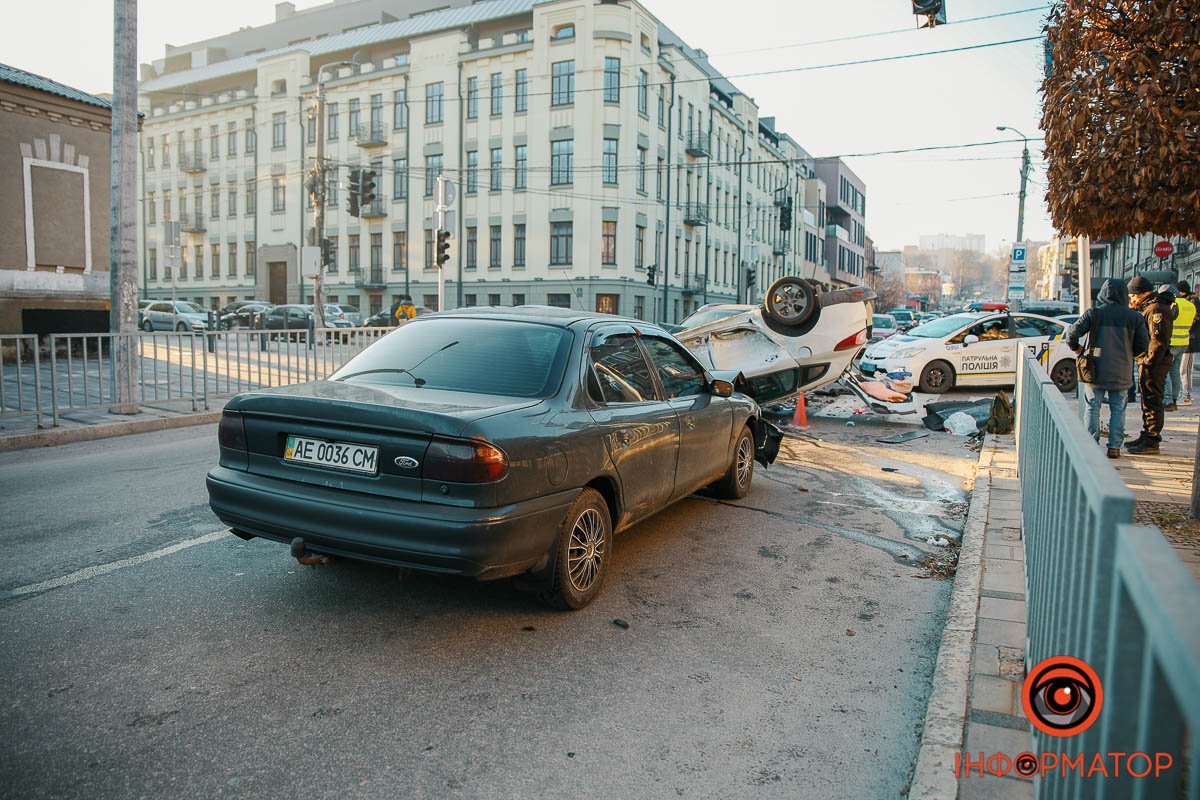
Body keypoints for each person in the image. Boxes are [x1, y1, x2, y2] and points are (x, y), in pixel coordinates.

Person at [1067, 279, 1148, 458]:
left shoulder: (1094, 313)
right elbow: (1143, 346)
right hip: (1122, 370)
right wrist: (1127, 353)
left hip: (1094, 370)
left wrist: (1078, 349)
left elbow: (1071, 335)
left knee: (1092, 407)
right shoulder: (1135, 317)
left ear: (1103, 293)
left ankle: (1091, 445)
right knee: (1118, 409)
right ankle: (1114, 447)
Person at [1126, 275, 1176, 454]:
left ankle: (1152, 440)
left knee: (1153, 400)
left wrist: (1148, 361)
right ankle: (1146, 434)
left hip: (1155, 363)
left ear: (1141, 294)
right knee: (1147, 400)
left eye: (1132, 296)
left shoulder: (1156, 310)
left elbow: (1158, 341)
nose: (1131, 299)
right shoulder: (1150, 307)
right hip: (1149, 361)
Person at [1165, 280, 1196, 410]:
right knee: (1175, 370)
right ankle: (1174, 398)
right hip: (1184, 342)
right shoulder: (1190, 305)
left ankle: (1167, 400)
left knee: (1164, 370)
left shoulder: (1174, 305)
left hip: (1171, 341)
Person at [1182, 281, 1200, 405]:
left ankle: (1187, 394)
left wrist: (1188, 327)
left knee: (1186, 368)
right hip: (1184, 338)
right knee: (1182, 368)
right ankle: (1184, 393)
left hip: (1191, 339)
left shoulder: (1193, 302)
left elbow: (1196, 318)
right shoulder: (1186, 301)